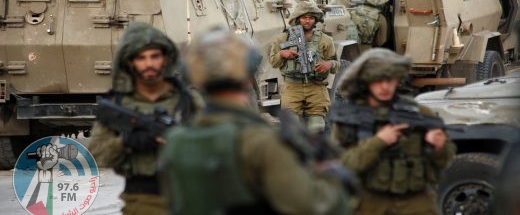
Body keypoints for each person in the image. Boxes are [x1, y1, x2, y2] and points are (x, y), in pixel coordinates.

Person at [159, 28, 351, 215]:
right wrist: (331, 174)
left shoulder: (176, 142)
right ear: (247, 77)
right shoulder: (263, 142)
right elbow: (313, 206)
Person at [88, 22, 197, 215]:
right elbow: (96, 156)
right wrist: (128, 142)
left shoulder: (188, 100)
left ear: (165, 59)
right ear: (130, 62)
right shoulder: (118, 105)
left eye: (155, 56)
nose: (149, 64)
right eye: (141, 58)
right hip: (144, 198)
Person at [331, 48, 456, 215]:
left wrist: (439, 146)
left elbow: (445, 161)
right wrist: (379, 141)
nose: (385, 86)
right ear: (367, 81)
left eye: (390, 80)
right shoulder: (351, 117)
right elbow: (342, 165)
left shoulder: (420, 113)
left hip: (415, 200)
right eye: (378, 80)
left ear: (398, 81)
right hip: (369, 200)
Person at [269, 0, 339, 133]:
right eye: (304, 18)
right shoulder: (282, 39)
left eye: (311, 18)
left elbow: (336, 65)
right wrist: (282, 54)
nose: (307, 21)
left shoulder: (325, 40)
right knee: (292, 129)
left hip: (316, 88)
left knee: (316, 128)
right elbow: (273, 62)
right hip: (292, 87)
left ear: (316, 19)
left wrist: (329, 64)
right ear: (297, 19)